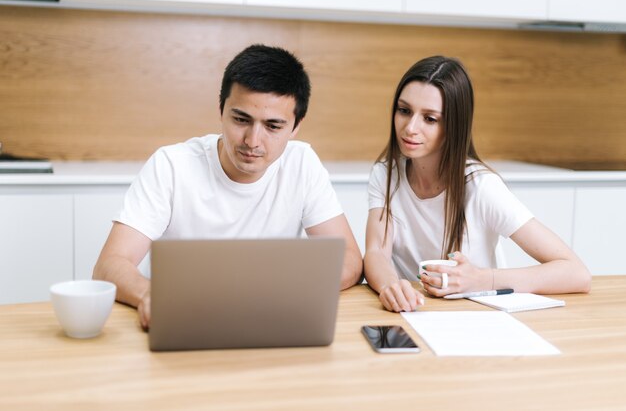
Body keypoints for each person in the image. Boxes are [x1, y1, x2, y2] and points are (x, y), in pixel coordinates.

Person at [93, 44, 363, 328]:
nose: (252, 141)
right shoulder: (171, 165)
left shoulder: (302, 164)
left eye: (273, 126)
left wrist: (290, 290)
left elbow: (350, 260)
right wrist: (151, 295)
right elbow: (109, 265)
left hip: (270, 320)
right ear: (221, 109)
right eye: (241, 119)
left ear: (296, 126)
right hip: (186, 320)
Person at [364, 55, 591, 313]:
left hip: (476, 317)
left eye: (430, 118)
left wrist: (482, 280)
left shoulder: (482, 186)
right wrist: (392, 287)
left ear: (453, 125)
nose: (410, 127)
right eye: (404, 111)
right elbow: (376, 252)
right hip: (414, 314)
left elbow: (577, 272)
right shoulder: (385, 174)